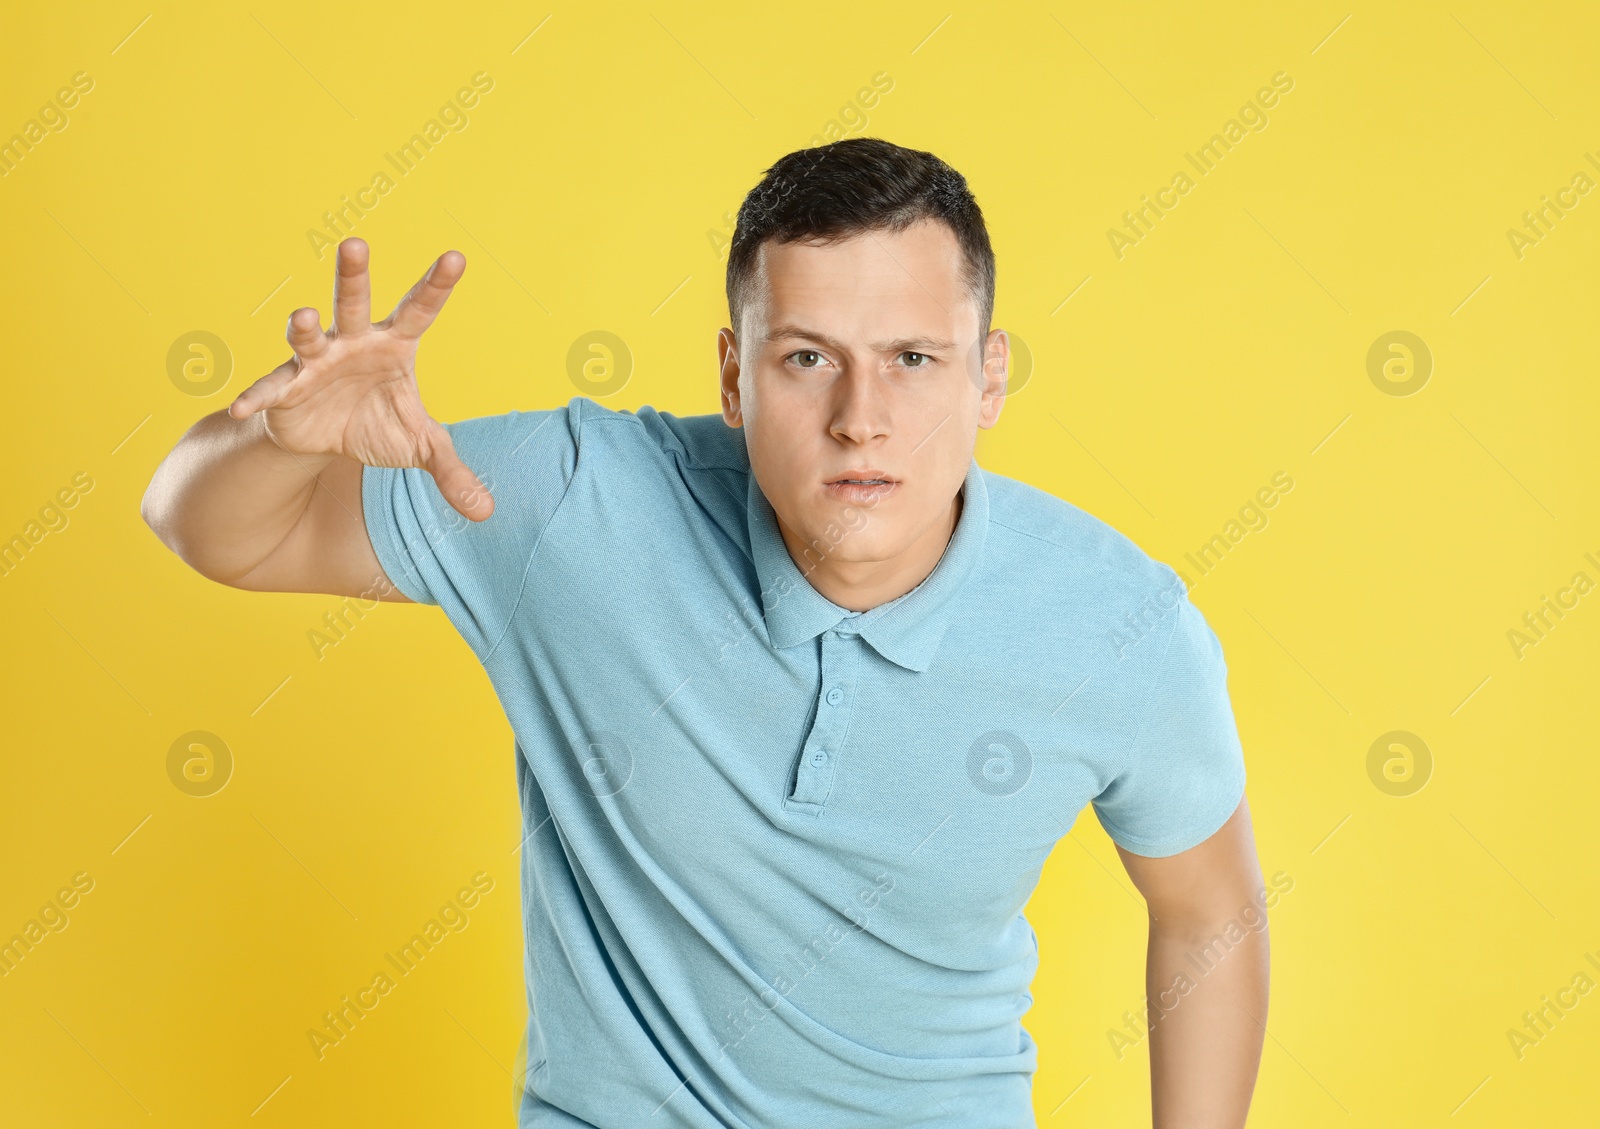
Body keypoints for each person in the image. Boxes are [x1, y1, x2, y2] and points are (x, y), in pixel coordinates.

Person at [142, 137, 1268, 1128]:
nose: (859, 418)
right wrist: (285, 438)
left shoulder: (1118, 624)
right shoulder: (576, 502)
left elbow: (1208, 906)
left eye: (913, 360)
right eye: (807, 357)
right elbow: (204, 524)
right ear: (734, 375)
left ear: (989, 377)